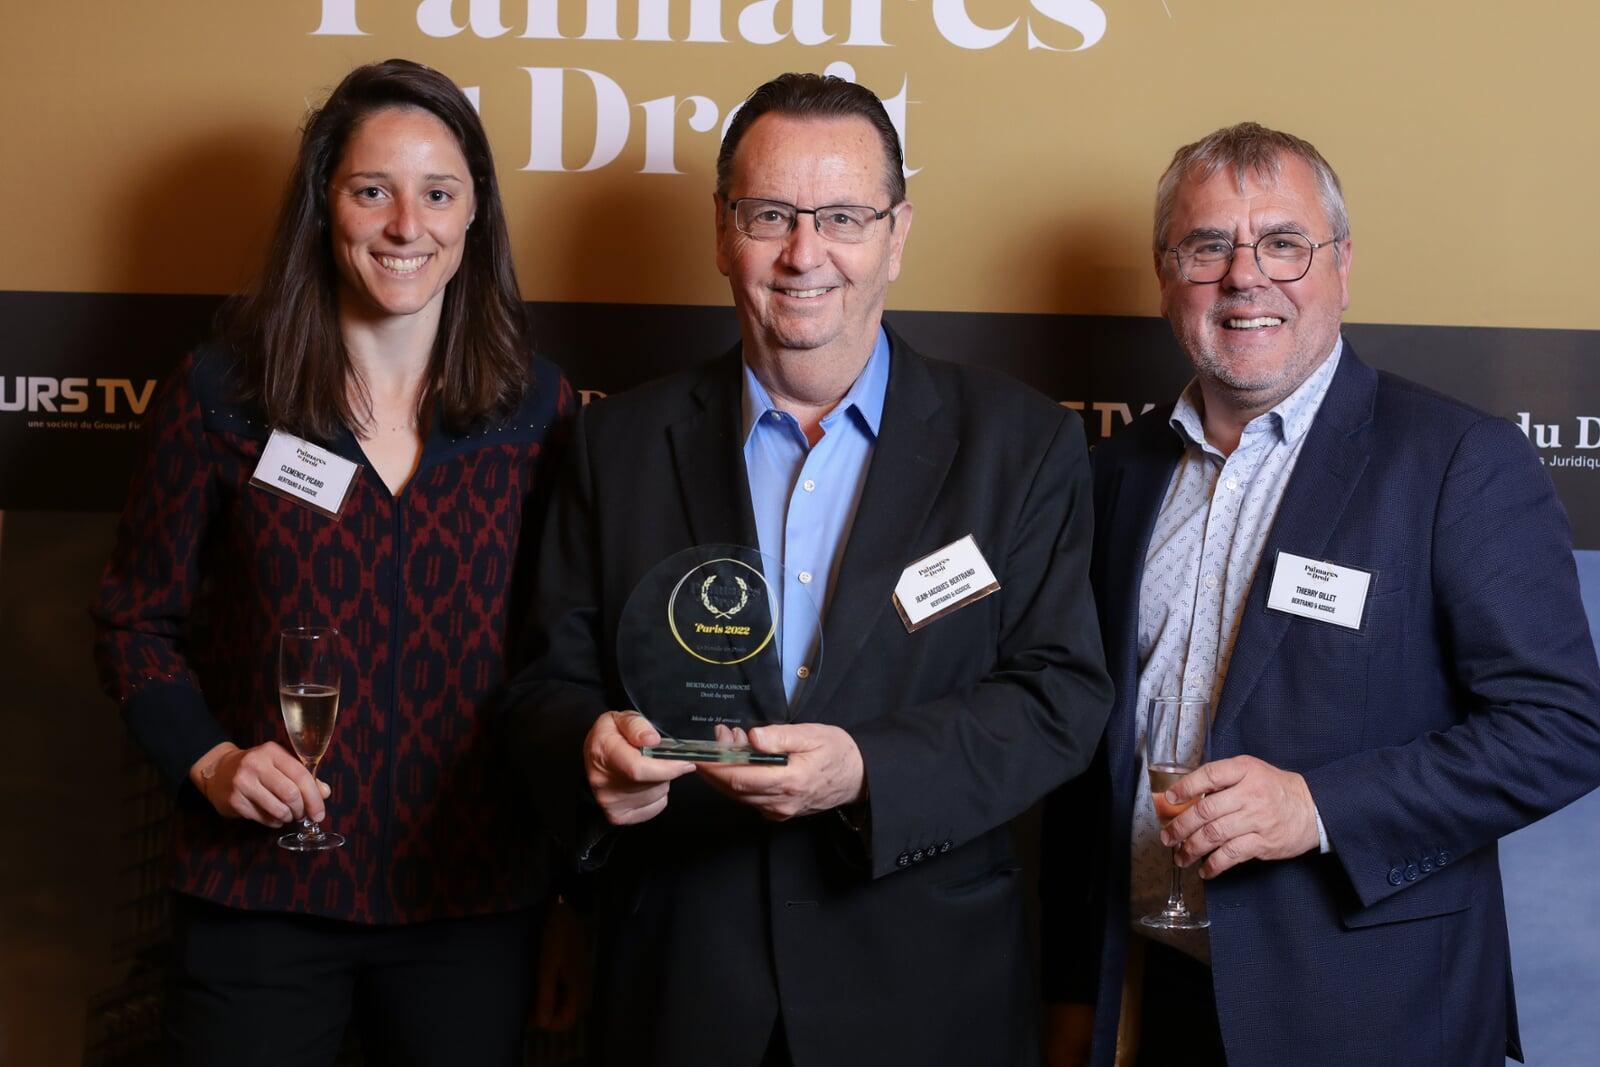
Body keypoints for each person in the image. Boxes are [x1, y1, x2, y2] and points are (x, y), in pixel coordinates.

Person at [499, 72, 1113, 1066]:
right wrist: (589, 752)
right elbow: (541, 687)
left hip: (925, 993)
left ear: (897, 233)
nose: (803, 253)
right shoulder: (614, 443)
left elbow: (1059, 698)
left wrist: (867, 769)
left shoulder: (1020, 445)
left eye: (842, 216)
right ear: (720, 229)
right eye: (771, 214)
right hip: (680, 987)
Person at [1040, 122, 1600, 1066]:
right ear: (1165, 273)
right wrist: (1066, 998)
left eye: (1283, 243)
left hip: (1369, 1011)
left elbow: (1565, 725)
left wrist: (1319, 805)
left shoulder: (1456, 461)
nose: (1244, 275)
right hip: (1149, 997)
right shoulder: (1110, 477)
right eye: (1208, 244)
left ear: (1340, 266)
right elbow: (1077, 754)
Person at [92, 59, 576, 1065]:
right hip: (256, 899)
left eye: (437, 192)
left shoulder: (537, 409)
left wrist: (572, 886)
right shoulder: (222, 391)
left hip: (471, 904)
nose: (407, 225)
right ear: (325, 204)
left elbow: (560, 659)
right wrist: (211, 760)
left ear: (474, 211)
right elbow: (134, 620)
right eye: (372, 191)